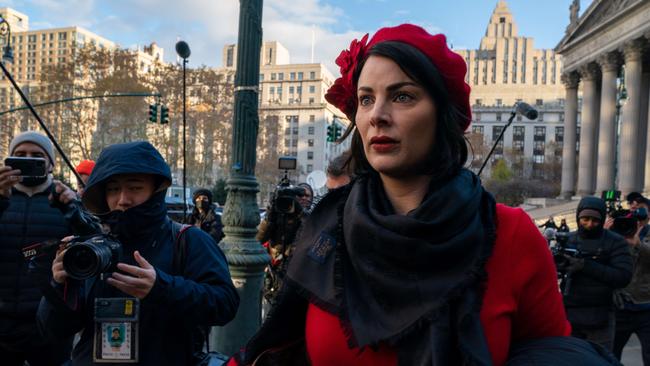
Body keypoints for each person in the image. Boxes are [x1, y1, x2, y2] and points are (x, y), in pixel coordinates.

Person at [227, 24, 571, 366]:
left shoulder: (511, 234)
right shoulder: (326, 230)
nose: (377, 115)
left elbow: (556, 354)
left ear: (443, 113)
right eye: (366, 99)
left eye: (402, 96)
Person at [36, 141, 239, 365]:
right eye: (113, 189)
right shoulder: (89, 249)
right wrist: (60, 286)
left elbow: (225, 304)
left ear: (156, 190)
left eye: (134, 188)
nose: (123, 199)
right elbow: (52, 331)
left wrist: (161, 288)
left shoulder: (188, 240)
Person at [0, 131, 89, 366]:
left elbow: (92, 242)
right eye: (20, 155)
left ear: (50, 163)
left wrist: (74, 209)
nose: (28, 159)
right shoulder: (1, 198)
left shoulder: (64, 199)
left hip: (51, 317)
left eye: (36, 156)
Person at [560, 196, 632, 351]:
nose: (589, 224)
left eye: (595, 220)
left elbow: (623, 277)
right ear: (578, 217)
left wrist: (586, 265)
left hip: (601, 314)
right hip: (569, 313)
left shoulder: (615, 242)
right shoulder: (567, 240)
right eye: (585, 219)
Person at [612, 216, 650, 364]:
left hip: (645, 306)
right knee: (612, 355)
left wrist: (639, 244)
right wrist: (604, 234)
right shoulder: (612, 238)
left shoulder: (646, 234)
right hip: (620, 306)